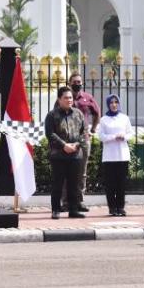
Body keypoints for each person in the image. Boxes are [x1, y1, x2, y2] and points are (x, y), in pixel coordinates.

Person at [44, 86, 87, 219]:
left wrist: (76, 144)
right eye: (66, 98)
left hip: (75, 155)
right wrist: (64, 145)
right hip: (58, 155)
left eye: (70, 97)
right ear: (59, 99)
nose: (69, 100)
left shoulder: (78, 114)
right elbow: (50, 134)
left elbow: (84, 132)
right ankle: (56, 209)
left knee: (74, 184)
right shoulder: (52, 115)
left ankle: (73, 209)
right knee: (58, 183)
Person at [60, 73, 100, 212]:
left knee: (82, 173)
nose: (78, 83)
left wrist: (93, 129)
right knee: (66, 172)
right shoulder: (64, 98)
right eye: (75, 82)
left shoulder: (88, 98)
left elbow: (97, 113)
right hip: (67, 141)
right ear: (69, 83)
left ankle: (79, 201)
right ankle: (66, 202)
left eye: (79, 81)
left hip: (83, 140)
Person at [98, 94, 134, 216]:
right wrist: (114, 137)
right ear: (108, 104)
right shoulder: (103, 120)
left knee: (121, 183)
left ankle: (121, 207)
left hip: (122, 155)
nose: (114, 105)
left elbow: (130, 133)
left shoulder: (124, 118)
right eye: (111, 102)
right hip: (109, 156)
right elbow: (101, 136)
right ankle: (112, 207)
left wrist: (124, 137)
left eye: (116, 102)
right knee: (110, 184)